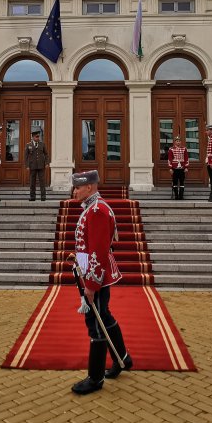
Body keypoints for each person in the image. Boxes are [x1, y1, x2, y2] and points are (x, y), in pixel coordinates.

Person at [69, 169, 131, 395]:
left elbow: (98, 251)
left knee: (95, 324)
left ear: (89, 187)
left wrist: (91, 285)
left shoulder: (96, 211)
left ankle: (95, 378)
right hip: (93, 272)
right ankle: (122, 357)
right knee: (104, 315)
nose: (74, 191)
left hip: (97, 276)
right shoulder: (94, 207)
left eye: (77, 187)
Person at [25, 128, 50, 202]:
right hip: (32, 166)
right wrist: (27, 166)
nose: (38, 138)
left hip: (41, 166)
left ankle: (43, 197)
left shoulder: (42, 144)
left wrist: (47, 163)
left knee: (42, 182)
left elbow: (46, 154)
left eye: (38, 136)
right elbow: (26, 156)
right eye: (36, 137)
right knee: (32, 182)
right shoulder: (28, 145)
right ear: (33, 137)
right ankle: (32, 197)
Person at [168, 135, 189, 200]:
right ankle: (176, 196)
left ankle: (181, 195)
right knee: (175, 182)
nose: (178, 142)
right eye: (177, 141)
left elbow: (186, 158)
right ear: (175, 142)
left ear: (181, 142)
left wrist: (186, 167)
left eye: (179, 141)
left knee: (182, 182)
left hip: (182, 168)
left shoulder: (184, 149)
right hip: (174, 168)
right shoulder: (171, 149)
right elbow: (170, 159)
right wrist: (170, 168)